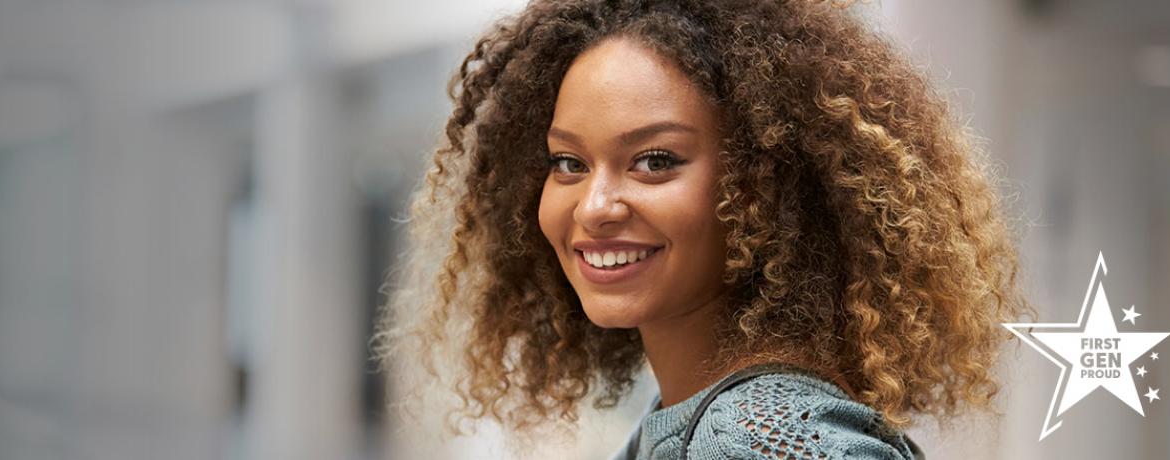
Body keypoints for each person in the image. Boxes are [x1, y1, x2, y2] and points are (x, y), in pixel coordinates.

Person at [376, 0, 1030, 458]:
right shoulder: (697, 420)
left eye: (655, 161)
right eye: (568, 162)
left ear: (762, 186)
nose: (595, 205)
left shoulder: (756, 439)